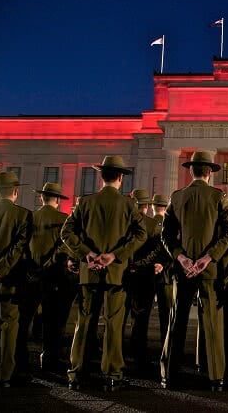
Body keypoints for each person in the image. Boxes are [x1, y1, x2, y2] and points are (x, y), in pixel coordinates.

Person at [61, 156, 147, 391]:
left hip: (89, 272)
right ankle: (112, 374)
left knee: (85, 322)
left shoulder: (85, 203)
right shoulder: (129, 205)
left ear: (101, 176)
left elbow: (66, 233)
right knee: (113, 324)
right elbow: (141, 235)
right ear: (120, 177)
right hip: (115, 274)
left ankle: (77, 374)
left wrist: (87, 254)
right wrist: (115, 255)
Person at [160, 151, 228, 392]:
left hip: (183, 270)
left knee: (176, 321)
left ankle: (169, 374)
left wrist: (181, 257)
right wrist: (208, 257)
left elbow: (166, 235)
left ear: (191, 171)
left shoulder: (178, 197)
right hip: (208, 269)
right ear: (210, 172)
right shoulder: (218, 196)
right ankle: (215, 377)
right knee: (211, 323)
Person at [20, 183, 73, 376]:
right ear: (58, 200)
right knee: (54, 322)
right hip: (55, 277)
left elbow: (22, 247)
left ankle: (22, 361)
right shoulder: (63, 219)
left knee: (25, 320)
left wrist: (33, 268)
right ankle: (49, 360)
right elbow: (63, 249)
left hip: (31, 276)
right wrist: (47, 266)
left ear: (42, 198)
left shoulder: (30, 218)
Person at [0, 171, 32, 388]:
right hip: (10, 280)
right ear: (16, 192)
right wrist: (0, 270)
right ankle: (5, 375)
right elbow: (18, 248)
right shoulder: (23, 215)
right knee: (9, 327)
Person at [124, 189, 164, 373]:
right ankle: (139, 358)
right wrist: (144, 264)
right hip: (145, 276)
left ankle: (117, 355)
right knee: (141, 319)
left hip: (122, 274)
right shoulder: (152, 224)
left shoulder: (123, 223)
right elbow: (158, 249)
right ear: (147, 206)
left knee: (118, 318)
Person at [150, 194, 174, 347]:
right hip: (166, 276)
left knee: (141, 317)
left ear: (152, 207)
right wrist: (163, 265)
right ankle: (167, 348)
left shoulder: (146, 224)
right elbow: (175, 251)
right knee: (167, 316)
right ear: (166, 208)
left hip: (147, 273)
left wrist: (152, 264)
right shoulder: (171, 226)